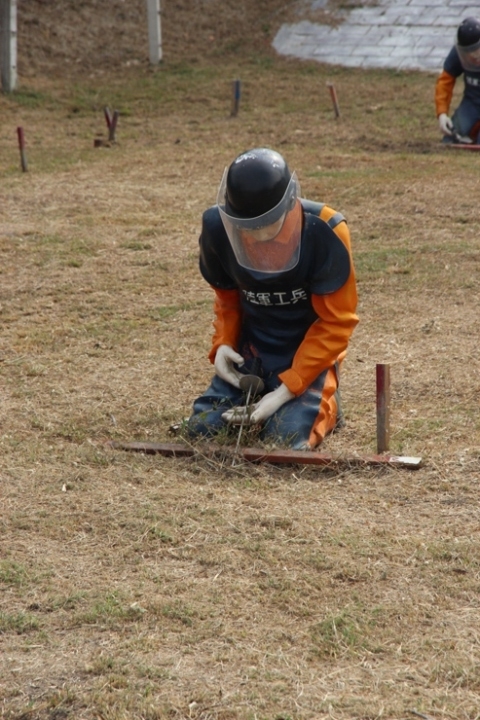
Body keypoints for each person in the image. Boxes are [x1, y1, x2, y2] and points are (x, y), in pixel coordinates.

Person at [187, 147, 358, 450]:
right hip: (252, 353)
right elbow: (227, 299)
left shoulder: (324, 229)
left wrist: (284, 391)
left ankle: (325, 405)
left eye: (267, 222)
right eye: (247, 226)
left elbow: (335, 322)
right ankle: (267, 399)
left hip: (307, 354)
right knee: (203, 430)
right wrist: (224, 343)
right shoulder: (218, 228)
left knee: (286, 440)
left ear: (290, 202)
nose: (258, 234)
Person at [436, 16, 480, 144]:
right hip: (471, 104)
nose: (473, 56)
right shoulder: (459, 54)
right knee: (450, 139)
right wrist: (442, 114)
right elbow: (445, 82)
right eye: (469, 52)